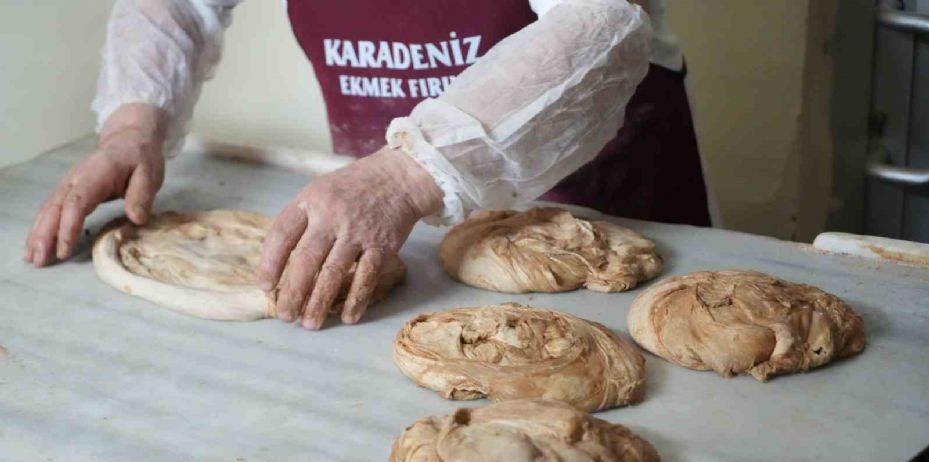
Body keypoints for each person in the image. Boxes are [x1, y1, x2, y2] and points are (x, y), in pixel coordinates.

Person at [23, 0, 711, 329]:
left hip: (592, 208)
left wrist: (401, 175)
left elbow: (601, 24)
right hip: (385, 223)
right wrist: (131, 126)